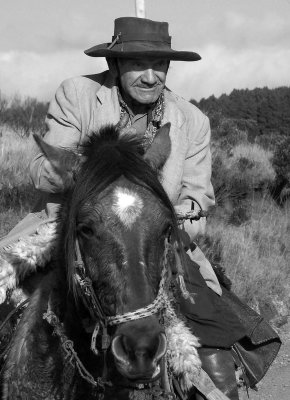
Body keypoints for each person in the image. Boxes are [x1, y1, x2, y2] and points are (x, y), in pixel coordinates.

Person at [0, 17, 247, 399]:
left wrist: (162, 219)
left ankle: (222, 389)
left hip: (158, 241)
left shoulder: (193, 121)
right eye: (137, 65)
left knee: (212, 338)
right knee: (8, 302)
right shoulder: (78, 94)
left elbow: (199, 199)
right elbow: (39, 169)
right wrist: (91, 174)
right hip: (73, 231)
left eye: (160, 66)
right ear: (114, 64)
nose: (151, 76)